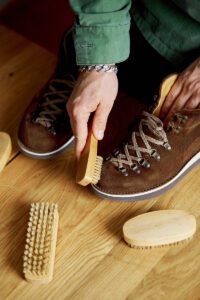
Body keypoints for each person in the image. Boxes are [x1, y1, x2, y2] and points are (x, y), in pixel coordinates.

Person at [17, 0, 200, 200]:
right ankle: (86, 56)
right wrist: (98, 61)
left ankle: (183, 111)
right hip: (141, 15)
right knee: (100, 42)